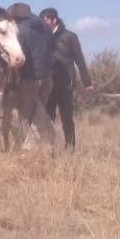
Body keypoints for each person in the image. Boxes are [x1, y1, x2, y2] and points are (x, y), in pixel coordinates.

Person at [40, 8, 94, 149]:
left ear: (54, 19)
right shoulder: (41, 37)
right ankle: (48, 148)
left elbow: (80, 60)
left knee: (67, 119)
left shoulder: (70, 37)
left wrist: (87, 82)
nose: (46, 22)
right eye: (44, 20)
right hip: (48, 85)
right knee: (47, 119)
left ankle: (70, 148)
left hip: (65, 84)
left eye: (48, 19)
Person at [7, 2, 56, 148]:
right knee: (38, 114)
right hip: (47, 79)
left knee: (27, 117)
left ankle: (28, 150)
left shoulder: (19, 30)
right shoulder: (46, 28)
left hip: (30, 79)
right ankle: (41, 148)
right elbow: (52, 51)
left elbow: (18, 57)